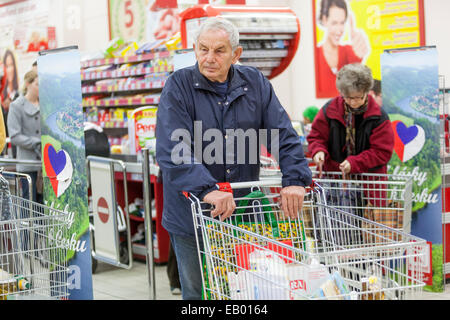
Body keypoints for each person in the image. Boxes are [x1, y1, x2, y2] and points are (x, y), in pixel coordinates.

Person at [156, 17, 312, 300]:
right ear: (195, 49)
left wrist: (295, 178)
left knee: (243, 288)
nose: (209, 58)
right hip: (192, 214)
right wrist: (207, 189)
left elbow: (281, 132)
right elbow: (174, 149)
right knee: (198, 291)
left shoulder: (254, 83)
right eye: (203, 49)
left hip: (241, 212)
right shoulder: (178, 86)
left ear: (236, 54)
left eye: (219, 50)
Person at [307, 63, 394, 180]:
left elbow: (382, 152)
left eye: (358, 97)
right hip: (334, 181)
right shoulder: (329, 110)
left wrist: (355, 163)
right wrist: (318, 151)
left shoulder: (378, 117)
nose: (353, 102)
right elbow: (316, 136)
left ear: (367, 92)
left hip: (368, 184)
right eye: (347, 97)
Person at [315, 0, 369, 97]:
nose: (339, 30)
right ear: (324, 20)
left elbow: (356, 84)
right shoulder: (315, 54)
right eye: (334, 23)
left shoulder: (349, 51)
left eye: (342, 23)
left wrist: (359, 57)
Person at [8, 70, 42, 203]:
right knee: (29, 206)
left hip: (46, 164)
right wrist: (37, 142)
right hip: (27, 165)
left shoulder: (45, 105)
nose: (40, 88)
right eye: (37, 84)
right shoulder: (16, 106)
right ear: (28, 84)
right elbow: (15, 136)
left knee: (45, 206)